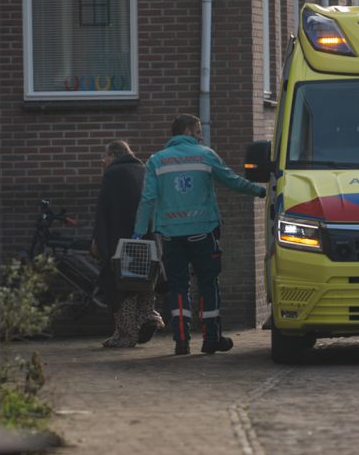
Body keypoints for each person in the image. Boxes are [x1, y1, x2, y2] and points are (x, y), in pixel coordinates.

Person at [132, 114, 266, 356]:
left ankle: (181, 341)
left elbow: (148, 198)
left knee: (178, 287)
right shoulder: (205, 155)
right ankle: (211, 339)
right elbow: (231, 180)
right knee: (208, 284)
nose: (201, 137)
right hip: (202, 233)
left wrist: (139, 231)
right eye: (198, 131)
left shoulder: (156, 161)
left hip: (170, 236)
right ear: (187, 131)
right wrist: (260, 191)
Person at [91, 140, 164, 348]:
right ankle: (148, 316)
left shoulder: (113, 174)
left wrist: (99, 241)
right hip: (147, 237)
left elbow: (104, 210)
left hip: (120, 239)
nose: (103, 161)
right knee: (144, 280)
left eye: (105, 156)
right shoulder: (143, 170)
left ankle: (126, 334)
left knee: (121, 285)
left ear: (114, 155)